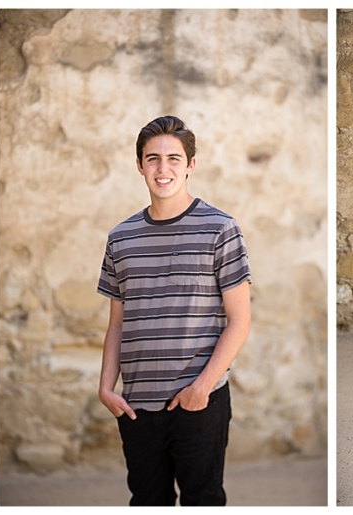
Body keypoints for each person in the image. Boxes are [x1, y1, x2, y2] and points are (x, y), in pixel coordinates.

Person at [97, 116, 252, 505]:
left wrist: (201, 388)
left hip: (199, 400)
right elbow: (117, 324)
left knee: (203, 499)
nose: (162, 169)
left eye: (173, 158)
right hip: (137, 406)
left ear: (190, 165)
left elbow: (240, 320)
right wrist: (105, 386)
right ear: (139, 165)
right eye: (152, 159)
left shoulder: (220, 228)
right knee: (148, 501)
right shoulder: (120, 238)